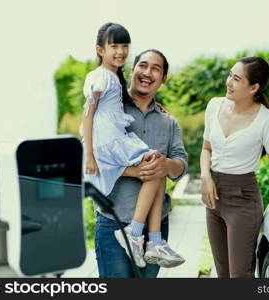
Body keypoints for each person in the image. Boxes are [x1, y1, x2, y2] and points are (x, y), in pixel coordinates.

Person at [82, 23, 184, 270]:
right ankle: (135, 234)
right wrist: (134, 172)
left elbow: (180, 167)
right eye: (143, 65)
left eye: (155, 69)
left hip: (157, 223)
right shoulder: (112, 111)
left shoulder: (168, 121)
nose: (148, 72)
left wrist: (165, 166)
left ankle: (154, 241)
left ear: (164, 78)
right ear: (132, 69)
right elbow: (89, 157)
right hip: (112, 223)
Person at [200, 56, 269, 278]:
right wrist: (206, 177)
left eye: (237, 79)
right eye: (230, 75)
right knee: (223, 273)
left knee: (240, 275)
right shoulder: (214, 106)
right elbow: (206, 149)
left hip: (243, 200)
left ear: (254, 87)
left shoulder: (266, 119)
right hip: (214, 198)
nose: (229, 82)